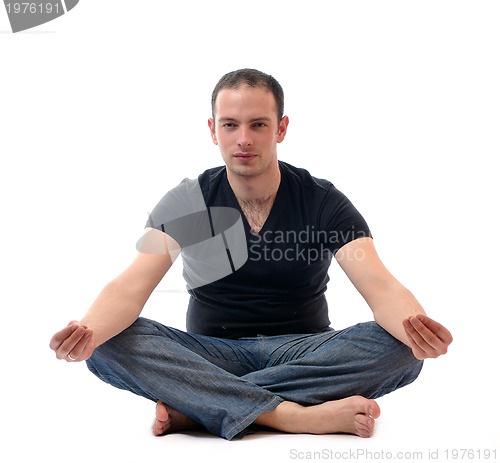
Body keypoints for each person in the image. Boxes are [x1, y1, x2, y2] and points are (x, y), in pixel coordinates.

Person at [49, 68, 453, 440]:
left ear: (281, 128)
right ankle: (287, 415)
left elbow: (380, 285)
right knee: (106, 345)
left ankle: (202, 407)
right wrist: (87, 332)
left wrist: (417, 329)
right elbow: (131, 285)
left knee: (402, 350)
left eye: (258, 124)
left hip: (305, 349)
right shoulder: (189, 201)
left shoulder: (322, 200)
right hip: (210, 353)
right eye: (230, 125)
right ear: (213, 130)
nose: (244, 138)